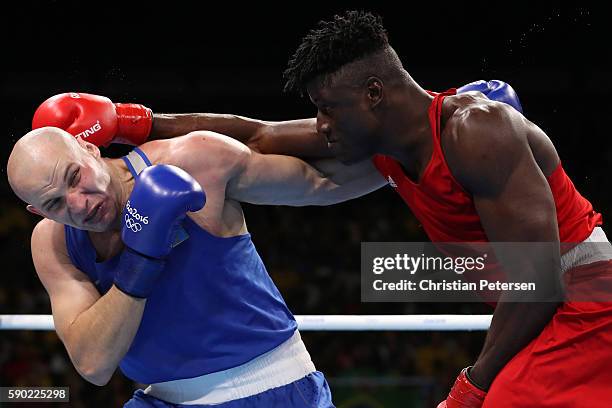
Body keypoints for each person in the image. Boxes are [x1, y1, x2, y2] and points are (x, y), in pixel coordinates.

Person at [30, 10, 612, 408]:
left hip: (580, 295)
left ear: (374, 95)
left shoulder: (476, 133)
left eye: (328, 109)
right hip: (539, 297)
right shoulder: (381, 144)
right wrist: (141, 123)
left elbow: (539, 282)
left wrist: (471, 385)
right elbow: (256, 135)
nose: (323, 126)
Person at [6, 124, 382, 406]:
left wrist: (417, 160)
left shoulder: (193, 160)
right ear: (37, 212)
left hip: (271, 386)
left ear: (89, 147)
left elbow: (321, 182)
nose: (79, 204)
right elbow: (93, 365)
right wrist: (142, 258)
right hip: (161, 399)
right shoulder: (53, 243)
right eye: (55, 204)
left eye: (75, 177)